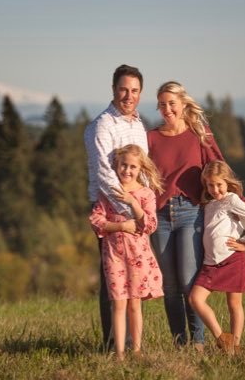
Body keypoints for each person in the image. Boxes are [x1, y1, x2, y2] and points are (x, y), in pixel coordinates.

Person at [147, 81, 224, 351]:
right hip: (161, 216)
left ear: (182, 104)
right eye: (162, 104)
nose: (167, 109)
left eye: (171, 103)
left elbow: (220, 170)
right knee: (170, 286)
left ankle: (198, 343)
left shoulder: (199, 134)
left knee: (189, 281)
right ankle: (180, 344)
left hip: (191, 213)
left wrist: (237, 206)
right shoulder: (151, 138)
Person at [84, 64, 148, 350]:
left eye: (134, 90)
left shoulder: (138, 125)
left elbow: (144, 170)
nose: (128, 95)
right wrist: (127, 212)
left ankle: (132, 342)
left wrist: (141, 207)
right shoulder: (103, 125)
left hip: (137, 210)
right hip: (109, 211)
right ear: (113, 89)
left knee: (135, 280)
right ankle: (112, 344)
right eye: (123, 89)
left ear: (140, 93)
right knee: (113, 281)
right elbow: (104, 174)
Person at [89, 144, 164, 361]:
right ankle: (119, 353)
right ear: (116, 165)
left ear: (140, 168)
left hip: (138, 258)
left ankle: (137, 349)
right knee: (118, 303)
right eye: (123, 166)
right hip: (114, 256)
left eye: (132, 167)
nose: (127, 171)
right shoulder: (108, 193)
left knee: (135, 303)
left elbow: (149, 225)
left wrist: (133, 202)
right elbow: (96, 220)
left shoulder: (146, 194)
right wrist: (120, 226)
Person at [189, 160, 245, 355]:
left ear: (227, 183)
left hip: (232, 259)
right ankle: (222, 338)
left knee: (234, 304)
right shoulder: (208, 204)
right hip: (210, 263)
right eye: (210, 185)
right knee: (195, 299)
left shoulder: (231, 200)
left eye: (219, 184)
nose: (215, 189)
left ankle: (236, 346)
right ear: (205, 184)